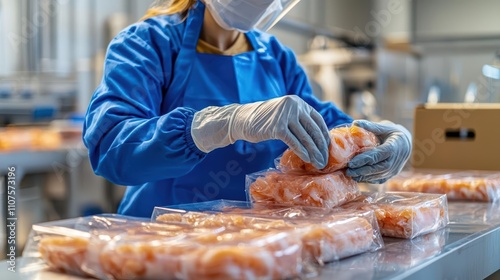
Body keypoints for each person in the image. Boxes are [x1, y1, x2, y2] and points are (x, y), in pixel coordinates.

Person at [83, 0, 411, 218]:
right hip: (162, 244)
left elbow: (322, 129)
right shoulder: (146, 45)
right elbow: (111, 149)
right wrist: (222, 124)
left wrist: (377, 138)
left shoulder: (276, 57)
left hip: (258, 243)